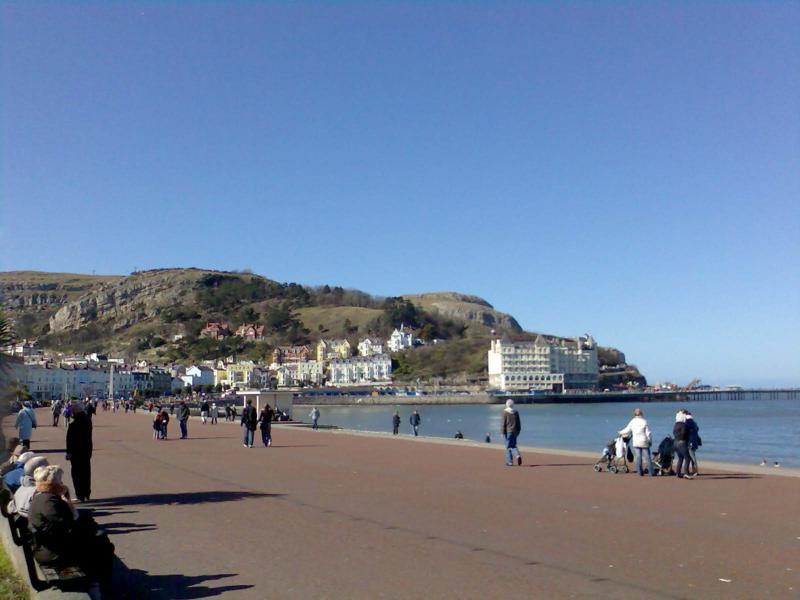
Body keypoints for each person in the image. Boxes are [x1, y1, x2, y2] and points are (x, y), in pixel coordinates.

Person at [27, 465, 115, 593]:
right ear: (55, 484)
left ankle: (98, 585)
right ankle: (101, 587)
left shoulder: (41, 498)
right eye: (60, 482)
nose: (63, 484)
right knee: (103, 544)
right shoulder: (50, 503)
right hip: (53, 554)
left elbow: (66, 526)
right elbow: (69, 527)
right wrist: (68, 502)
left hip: (46, 548)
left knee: (98, 539)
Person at [66, 401, 93, 502]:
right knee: (86, 472)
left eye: (72, 410)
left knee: (77, 474)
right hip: (86, 451)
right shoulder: (87, 421)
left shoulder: (74, 424)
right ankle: (87, 493)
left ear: (75, 411)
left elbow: (70, 440)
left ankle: (80, 495)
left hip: (76, 453)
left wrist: (69, 452)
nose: (71, 412)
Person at [619, 408, 655, 476]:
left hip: (636, 442)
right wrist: (650, 441)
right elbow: (648, 433)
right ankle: (651, 472)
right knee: (647, 458)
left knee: (638, 457)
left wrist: (620, 432)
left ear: (634, 414)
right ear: (641, 413)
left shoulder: (632, 421)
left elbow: (627, 430)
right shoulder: (644, 421)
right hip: (644, 442)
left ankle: (640, 472)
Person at [672, 411, 693, 479]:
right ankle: (686, 473)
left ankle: (678, 473)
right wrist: (687, 439)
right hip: (682, 443)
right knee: (688, 458)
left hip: (675, 443)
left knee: (680, 458)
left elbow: (674, 433)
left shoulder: (675, 424)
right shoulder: (684, 425)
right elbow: (684, 433)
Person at [502, 399, 523, 466]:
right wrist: (518, 431)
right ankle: (517, 455)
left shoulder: (505, 412)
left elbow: (503, 423)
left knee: (507, 447)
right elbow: (519, 423)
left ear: (507, 404)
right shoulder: (516, 412)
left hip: (508, 431)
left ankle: (510, 462)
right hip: (515, 431)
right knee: (513, 445)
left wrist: (502, 432)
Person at [684, 410, 701, 476]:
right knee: (692, 456)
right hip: (695, 442)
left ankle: (695, 471)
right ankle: (694, 470)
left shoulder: (687, 423)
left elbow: (685, 432)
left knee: (692, 457)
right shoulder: (694, 423)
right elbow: (697, 429)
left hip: (690, 442)